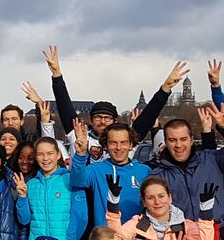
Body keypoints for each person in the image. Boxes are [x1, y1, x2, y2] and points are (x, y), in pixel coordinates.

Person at [39, 45, 188, 160]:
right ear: (91, 120)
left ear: (114, 121)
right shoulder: (79, 134)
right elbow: (65, 106)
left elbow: (148, 117)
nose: (102, 121)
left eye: (107, 118)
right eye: (98, 117)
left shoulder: (124, 139)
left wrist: (165, 88)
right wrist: (56, 75)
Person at [148, 104, 224, 240]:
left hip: (220, 234)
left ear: (191, 139)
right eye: (172, 140)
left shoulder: (211, 160)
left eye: (183, 139)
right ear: (166, 142)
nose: (178, 145)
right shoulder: (157, 175)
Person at [16, 137, 89, 240]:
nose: (45, 158)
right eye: (40, 154)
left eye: (50, 153)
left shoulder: (70, 180)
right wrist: (22, 197)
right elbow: (24, 219)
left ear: (58, 155)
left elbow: (80, 216)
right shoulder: (31, 184)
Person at [108, 176, 217, 240]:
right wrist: (113, 208)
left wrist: (206, 214)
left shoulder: (185, 224)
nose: (157, 202)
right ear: (144, 202)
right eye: (150, 198)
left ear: (170, 198)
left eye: (161, 196)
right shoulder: (137, 224)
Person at [70, 119, 151, 227]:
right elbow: (78, 181)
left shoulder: (144, 171)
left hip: (135, 239)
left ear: (131, 145)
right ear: (105, 146)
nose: (118, 148)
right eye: (113, 143)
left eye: (123, 142)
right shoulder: (96, 169)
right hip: (106, 238)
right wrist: (81, 154)